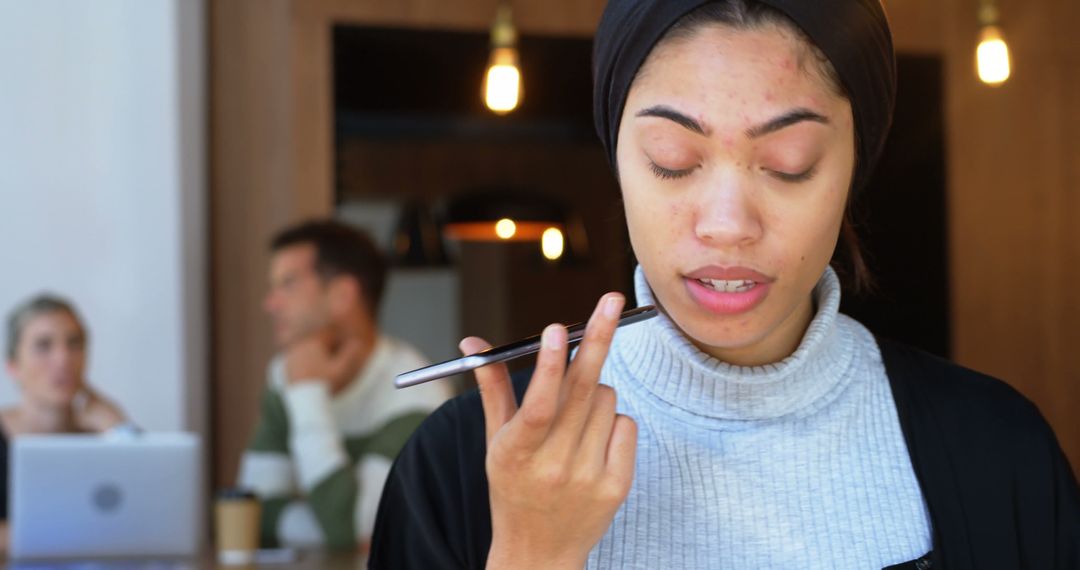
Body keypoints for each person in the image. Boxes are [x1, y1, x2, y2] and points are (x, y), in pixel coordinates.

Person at [369, 1, 1080, 568]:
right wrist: (533, 553)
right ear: (618, 160)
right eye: (673, 161)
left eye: (790, 163)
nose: (728, 224)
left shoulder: (998, 451)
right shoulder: (463, 470)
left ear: (854, 170)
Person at [237, 220, 453, 552]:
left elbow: (355, 530)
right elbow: (253, 515)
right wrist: (333, 530)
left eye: (288, 284)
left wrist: (309, 393)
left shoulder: (415, 392)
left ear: (342, 295)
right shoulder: (286, 377)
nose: (271, 304)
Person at [0, 294, 130, 538]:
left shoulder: (106, 437)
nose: (63, 360)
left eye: (74, 344)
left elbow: (144, 519)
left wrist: (120, 429)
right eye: (43, 346)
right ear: (13, 366)